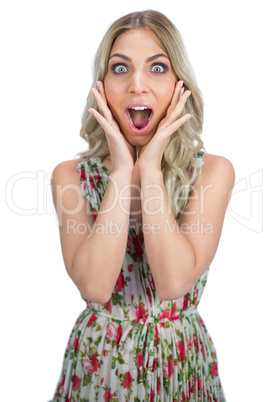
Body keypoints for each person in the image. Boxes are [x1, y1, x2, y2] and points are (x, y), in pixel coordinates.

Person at [50, 9, 234, 401]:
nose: (137, 85)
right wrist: (120, 171)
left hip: (180, 366)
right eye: (120, 69)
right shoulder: (70, 177)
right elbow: (96, 286)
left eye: (157, 67)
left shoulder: (213, 172)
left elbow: (172, 282)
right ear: (100, 86)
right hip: (98, 367)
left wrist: (149, 166)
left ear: (179, 83)